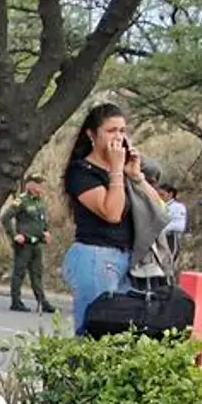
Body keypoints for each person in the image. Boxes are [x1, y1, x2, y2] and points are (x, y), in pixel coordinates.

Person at [61, 103, 163, 335]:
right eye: (111, 131)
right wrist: (116, 169)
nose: (118, 137)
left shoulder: (123, 172)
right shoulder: (81, 172)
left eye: (122, 131)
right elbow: (112, 213)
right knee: (95, 330)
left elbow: (159, 209)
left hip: (127, 258)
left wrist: (136, 176)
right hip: (96, 256)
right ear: (92, 134)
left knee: (120, 333)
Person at [0, 175, 56, 313]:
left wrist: (46, 232)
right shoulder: (21, 201)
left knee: (37, 273)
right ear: (29, 185)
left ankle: (42, 301)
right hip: (24, 243)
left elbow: (41, 220)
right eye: (37, 183)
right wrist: (14, 235)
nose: (40, 187)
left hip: (37, 242)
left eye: (41, 183)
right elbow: (6, 217)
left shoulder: (39, 201)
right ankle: (16, 301)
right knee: (19, 272)